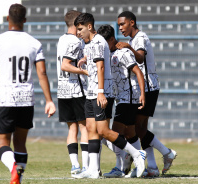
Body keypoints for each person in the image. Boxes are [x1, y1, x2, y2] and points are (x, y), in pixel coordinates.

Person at [0, 4, 56, 184]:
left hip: (6, 98)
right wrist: (49, 100)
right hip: (26, 98)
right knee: (20, 143)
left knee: (1, 143)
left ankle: (13, 169)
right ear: (25, 20)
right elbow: (42, 73)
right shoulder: (34, 43)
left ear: (8, 19)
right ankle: (18, 178)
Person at [72, 13, 146, 179]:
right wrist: (84, 59)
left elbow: (101, 68)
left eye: (80, 29)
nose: (78, 32)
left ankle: (136, 154)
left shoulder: (98, 41)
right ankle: (93, 169)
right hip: (91, 92)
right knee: (91, 129)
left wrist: (100, 92)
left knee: (104, 131)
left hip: (101, 92)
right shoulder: (89, 43)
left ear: (89, 26)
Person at [116, 11, 177, 176]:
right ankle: (152, 167)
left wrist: (128, 47)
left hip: (148, 88)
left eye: (123, 24)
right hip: (145, 88)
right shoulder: (133, 40)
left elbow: (141, 58)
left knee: (135, 128)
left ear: (132, 22)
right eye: (119, 25)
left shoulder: (140, 37)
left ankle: (166, 153)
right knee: (140, 128)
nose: (120, 27)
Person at [97, 24, 146, 178]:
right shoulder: (108, 54)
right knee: (130, 133)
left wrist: (142, 94)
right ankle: (138, 165)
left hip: (128, 98)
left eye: (106, 43)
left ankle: (122, 165)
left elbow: (138, 72)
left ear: (112, 39)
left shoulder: (123, 52)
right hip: (120, 99)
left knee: (110, 133)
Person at [57, 10, 89, 175]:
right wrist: (83, 72)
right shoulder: (76, 41)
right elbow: (65, 65)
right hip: (76, 89)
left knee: (72, 129)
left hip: (62, 89)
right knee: (84, 127)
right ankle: (85, 167)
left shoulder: (61, 39)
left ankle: (75, 165)